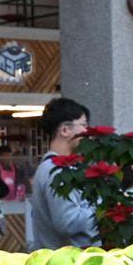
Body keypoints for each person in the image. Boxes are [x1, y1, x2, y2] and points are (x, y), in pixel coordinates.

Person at [28, 97, 100, 250]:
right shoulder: (55, 170)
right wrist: (103, 208)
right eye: (84, 125)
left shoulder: (59, 168)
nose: (88, 132)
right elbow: (68, 222)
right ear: (65, 130)